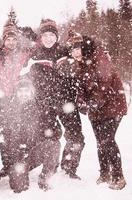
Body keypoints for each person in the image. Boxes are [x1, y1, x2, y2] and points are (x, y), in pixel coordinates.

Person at [61, 32, 127, 190]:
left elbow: (104, 82)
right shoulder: (81, 64)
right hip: (96, 110)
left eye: (77, 48)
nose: (75, 52)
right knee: (100, 141)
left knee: (107, 139)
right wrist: (81, 102)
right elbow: (82, 88)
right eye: (72, 50)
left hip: (112, 106)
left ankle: (118, 176)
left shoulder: (99, 56)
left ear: (83, 47)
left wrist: (94, 102)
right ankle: (104, 173)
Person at [29, 19, 84, 179]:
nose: (48, 38)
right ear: (41, 37)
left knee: (76, 136)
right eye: (45, 35)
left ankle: (69, 169)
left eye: (51, 35)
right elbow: (29, 78)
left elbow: (79, 67)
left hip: (66, 101)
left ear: (56, 36)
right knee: (49, 137)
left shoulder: (65, 52)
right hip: (45, 104)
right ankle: (48, 170)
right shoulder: (35, 55)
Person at [0, 20, 30, 177]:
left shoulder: (23, 54)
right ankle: (7, 164)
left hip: (19, 97)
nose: (11, 42)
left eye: (14, 39)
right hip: (2, 99)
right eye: (8, 39)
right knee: (4, 132)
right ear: (4, 40)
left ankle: (19, 164)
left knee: (19, 131)